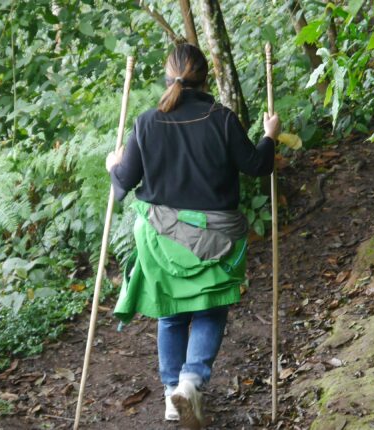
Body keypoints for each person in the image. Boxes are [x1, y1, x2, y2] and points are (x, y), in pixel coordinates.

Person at [105, 42, 280, 429]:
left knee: (170, 314)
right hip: (216, 238)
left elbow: (123, 184)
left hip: (161, 239)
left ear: (167, 77)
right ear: (206, 79)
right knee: (210, 310)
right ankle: (190, 382)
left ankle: (173, 393)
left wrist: (112, 165)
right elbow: (257, 166)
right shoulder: (222, 118)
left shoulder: (147, 122)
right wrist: (270, 136)